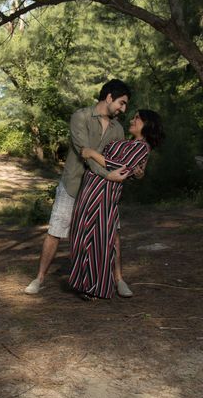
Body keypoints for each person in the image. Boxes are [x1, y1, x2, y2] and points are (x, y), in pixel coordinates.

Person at [24, 79, 134, 296]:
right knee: (56, 230)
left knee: (113, 233)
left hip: (101, 190)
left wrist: (131, 171)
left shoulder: (118, 129)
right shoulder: (80, 116)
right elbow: (86, 154)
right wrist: (109, 173)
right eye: (121, 103)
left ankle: (119, 279)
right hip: (73, 186)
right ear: (109, 97)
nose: (123, 109)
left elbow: (116, 160)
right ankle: (39, 279)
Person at [69, 109, 165, 300]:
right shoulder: (127, 142)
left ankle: (95, 288)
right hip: (91, 187)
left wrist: (91, 153)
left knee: (99, 240)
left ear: (148, 124)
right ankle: (83, 283)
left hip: (105, 193)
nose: (133, 120)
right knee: (82, 234)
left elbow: (117, 166)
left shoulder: (142, 147)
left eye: (137, 118)